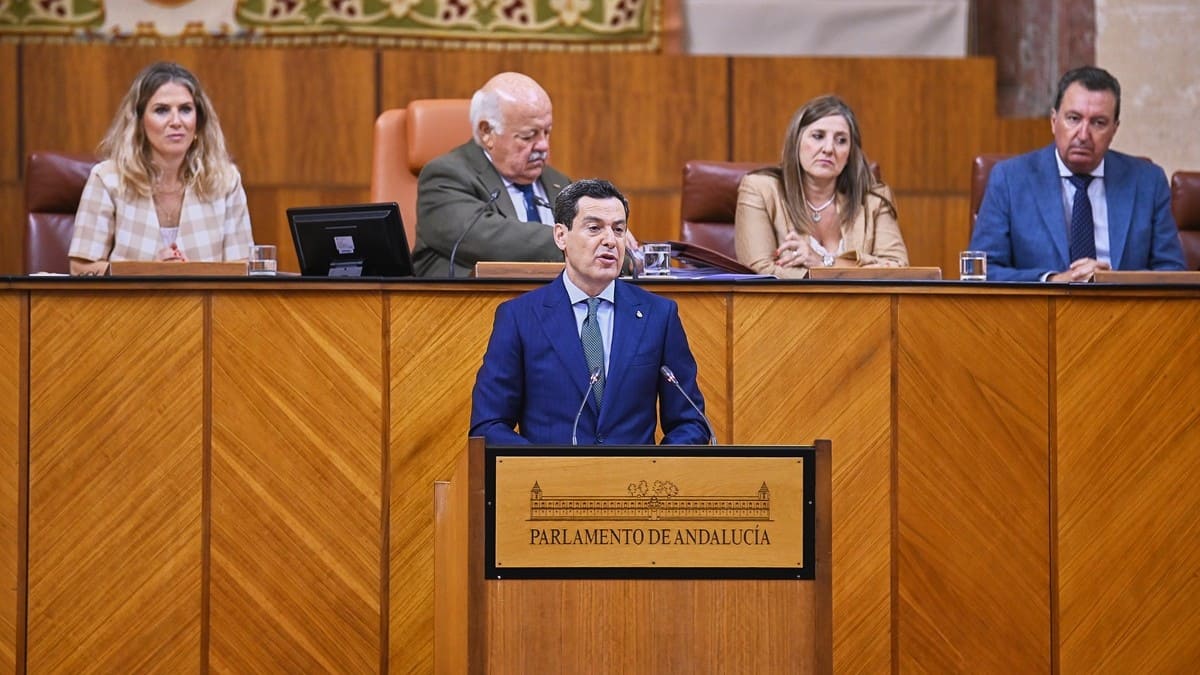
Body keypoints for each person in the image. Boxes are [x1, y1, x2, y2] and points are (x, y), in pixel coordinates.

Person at [470, 179, 710, 446]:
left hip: (635, 483)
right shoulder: (519, 317)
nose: (610, 240)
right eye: (594, 228)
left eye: (619, 230)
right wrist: (540, 468)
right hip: (549, 483)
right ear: (561, 236)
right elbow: (488, 426)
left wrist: (654, 471)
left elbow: (690, 421)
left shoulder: (658, 315)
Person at [969, 66, 1185, 281]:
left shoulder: (1148, 182)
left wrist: (1114, 281)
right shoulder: (1009, 179)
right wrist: (1052, 281)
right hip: (1039, 312)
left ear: (1114, 130)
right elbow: (982, 272)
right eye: (1073, 118)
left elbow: (1173, 273)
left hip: (1124, 312)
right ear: (1054, 121)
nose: (1083, 135)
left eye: (1098, 123)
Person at [69, 61, 253, 276]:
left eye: (185, 109)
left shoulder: (225, 180)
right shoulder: (108, 179)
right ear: (139, 122)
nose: (176, 121)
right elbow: (80, 268)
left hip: (205, 306)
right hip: (129, 307)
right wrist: (148, 272)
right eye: (162, 110)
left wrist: (191, 273)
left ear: (199, 121)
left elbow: (242, 268)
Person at [411, 72, 571, 278]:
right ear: (487, 132)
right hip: (468, 306)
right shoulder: (444, 177)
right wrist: (579, 245)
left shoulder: (559, 183)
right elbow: (490, 242)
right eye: (528, 136)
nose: (543, 146)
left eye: (547, 132)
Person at [735, 95, 908, 279]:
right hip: (788, 306)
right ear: (797, 142)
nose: (828, 148)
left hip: (862, 307)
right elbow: (758, 272)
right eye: (818, 136)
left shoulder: (873, 199)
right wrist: (844, 271)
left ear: (849, 153)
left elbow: (898, 269)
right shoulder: (760, 189)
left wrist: (823, 263)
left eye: (841, 140)